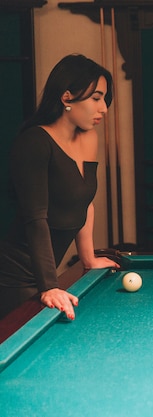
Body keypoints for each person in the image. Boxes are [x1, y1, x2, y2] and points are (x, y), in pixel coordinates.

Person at [0, 54, 120, 320]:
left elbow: (85, 201)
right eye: (96, 98)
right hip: (15, 277)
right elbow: (36, 219)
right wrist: (50, 286)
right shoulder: (34, 142)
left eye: (104, 99)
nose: (104, 108)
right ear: (67, 98)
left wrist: (87, 258)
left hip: (47, 274)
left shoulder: (89, 139)